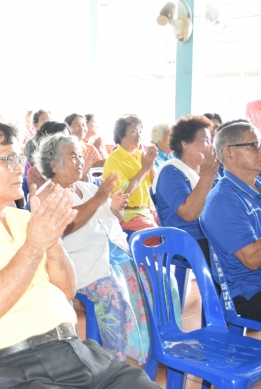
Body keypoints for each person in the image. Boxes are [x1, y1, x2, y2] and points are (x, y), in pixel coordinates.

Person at [0, 121, 199, 389]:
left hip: (78, 353)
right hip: (16, 374)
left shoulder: (24, 220)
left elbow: (66, 289)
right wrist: (35, 243)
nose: (20, 168)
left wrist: (52, 237)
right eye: (9, 159)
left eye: (19, 158)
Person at [35, 133, 164, 364]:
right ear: (54, 165)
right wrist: (101, 196)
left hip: (113, 254)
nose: (80, 161)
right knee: (115, 293)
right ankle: (115, 361)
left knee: (156, 280)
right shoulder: (47, 194)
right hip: (79, 264)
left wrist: (115, 207)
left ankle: (151, 347)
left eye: (79, 155)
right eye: (72, 156)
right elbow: (69, 224)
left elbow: (115, 218)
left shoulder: (86, 187)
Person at [201, 122, 261, 322]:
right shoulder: (222, 200)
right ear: (229, 153)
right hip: (249, 291)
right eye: (253, 145)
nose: (260, 150)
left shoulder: (256, 185)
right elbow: (252, 259)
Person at [151, 116, 219, 262]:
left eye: (210, 141)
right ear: (185, 144)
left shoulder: (204, 169)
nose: (210, 146)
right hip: (186, 240)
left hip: (210, 235)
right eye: (205, 141)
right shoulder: (170, 171)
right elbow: (189, 214)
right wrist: (207, 176)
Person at [103, 114, 159, 234]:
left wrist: (151, 167)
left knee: (173, 224)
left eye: (140, 131)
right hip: (128, 214)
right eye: (133, 131)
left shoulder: (140, 154)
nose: (138, 136)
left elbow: (157, 186)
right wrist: (145, 168)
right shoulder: (114, 159)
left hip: (149, 210)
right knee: (156, 233)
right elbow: (124, 193)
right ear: (120, 134)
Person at [25, 121, 70, 189]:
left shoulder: (77, 163)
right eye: (62, 140)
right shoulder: (35, 172)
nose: (69, 143)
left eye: (69, 138)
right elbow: (46, 194)